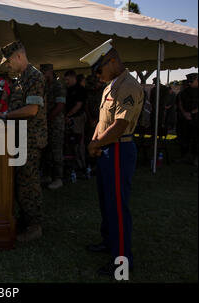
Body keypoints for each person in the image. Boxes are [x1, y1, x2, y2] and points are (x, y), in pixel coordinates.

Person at [81, 39, 144, 276]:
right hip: (107, 149)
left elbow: (119, 125)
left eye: (99, 70)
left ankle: (121, 261)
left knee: (117, 207)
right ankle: (110, 243)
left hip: (119, 148)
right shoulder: (111, 84)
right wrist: (95, 142)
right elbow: (102, 120)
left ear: (113, 61)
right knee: (106, 203)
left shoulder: (128, 85)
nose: (98, 76)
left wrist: (96, 143)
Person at [0, 41, 47, 242]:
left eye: (9, 62)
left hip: (30, 139)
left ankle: (35, 226)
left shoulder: (34, 77)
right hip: (20, 137)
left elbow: (32, 110)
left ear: (19, 57)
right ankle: (25, 221)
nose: (7, 66)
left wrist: (4, 115)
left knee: (29, 184)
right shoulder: (20, 80)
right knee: (21, 183)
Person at [40, 63, 66, 189]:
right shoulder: (44, 86)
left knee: (56, 150)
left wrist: (48, 118)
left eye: (45, 71)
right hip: (46, 122)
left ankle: (58, 178)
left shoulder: (58, 85)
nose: (43, 73)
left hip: (56, 123)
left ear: (50, 71)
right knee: (45, 150)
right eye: (42, 71)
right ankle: (47, 175)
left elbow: (60, 106)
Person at [64, 69, 87, 171]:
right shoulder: (68, 89)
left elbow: (78, 105)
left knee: (79, 142)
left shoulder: (80, 89)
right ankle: (73, 164)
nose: (66, 82)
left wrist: (68, 115)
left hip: (77, 118)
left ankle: (82, 165)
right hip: (69, 119)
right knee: (70, 142)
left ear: (73, 77)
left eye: (67, 79)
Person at [177, 73, 198, 165]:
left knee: (196, 140)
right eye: (188, 81)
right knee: (184, 138)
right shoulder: (185, 92)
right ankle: (185, 157)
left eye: (191, 81)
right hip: (185, 119)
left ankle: (195, 159)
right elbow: (180, 102)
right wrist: (184, 113)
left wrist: (191, 113)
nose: (189, 83)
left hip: (196, 119)